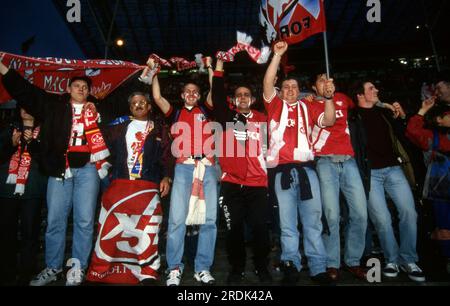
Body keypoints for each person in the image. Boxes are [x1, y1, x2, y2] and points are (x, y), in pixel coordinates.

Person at [0, 60, 110, 286]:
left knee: (85, 221)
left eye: (85, 87)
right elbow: (26, 91)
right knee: (55, 221)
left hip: (89, 169)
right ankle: (53, 266)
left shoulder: (99, 109)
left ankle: (78, 266)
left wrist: (144, 75)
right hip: (61, 169)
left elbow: (126, 103)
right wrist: (3, 68)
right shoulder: (54, 107)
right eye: (77, 86)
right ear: (68, 89)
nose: (81, 89)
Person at [263, 41, 336, 285]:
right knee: (287, 223)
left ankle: (318, 267)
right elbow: (267, 82)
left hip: (307, 171)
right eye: (286, 86)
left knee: (312, 221)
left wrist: (328, 97)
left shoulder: (308, 107)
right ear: (280, 91)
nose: (291, 89)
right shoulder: (274, 106)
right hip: (282, 173)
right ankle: (291, 264)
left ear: (300, 90)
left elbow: (329, 120)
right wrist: (277, 55)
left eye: (294, 86)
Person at [86, 92, 172, 285]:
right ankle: (100, 272)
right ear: (130, 108)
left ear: (149, 107)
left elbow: (167, 154)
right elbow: (99, 138)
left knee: (148, 228)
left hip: (148, 185)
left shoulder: (159, 129)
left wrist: (167, 176)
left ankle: (148, 272)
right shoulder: (119, 127)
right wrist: (94, 116)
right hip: (121, 183)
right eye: (134, 103)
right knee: (109, 228)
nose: (138, 105)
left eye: (142, 102)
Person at [147, 58, 218, 286]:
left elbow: (214, 89)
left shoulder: (207, 110)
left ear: (199, 95)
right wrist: (155, 72)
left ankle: (203, 268)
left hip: (207, 167)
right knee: (177, 219)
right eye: (187, 91)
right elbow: (157, 98)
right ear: (182, 95)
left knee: (209, 220)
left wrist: (209, 67)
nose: (190, 94)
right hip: (184, 168)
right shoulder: (175, 113)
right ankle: (175, 268)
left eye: (195, 91)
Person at [349, 80, 425, 282]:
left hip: (394, 170)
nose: (376, 90)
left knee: (409, 212)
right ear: (360, 95)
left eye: (375, 88)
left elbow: (403, 135)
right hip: (371, 173)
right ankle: (392, 259)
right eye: (371, 89)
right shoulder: (353, 116)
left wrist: (399, 114)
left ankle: (408, 259)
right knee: (382, 220)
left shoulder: (384, 113)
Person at [211, 58, 271, 284]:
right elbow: (216, 95)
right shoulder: (227, 118)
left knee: (260, 228)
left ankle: (261, 267)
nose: (243, 97)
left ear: (253, 99)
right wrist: (218, 67)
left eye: (247, 94)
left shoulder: (264, 119)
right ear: (234, 100)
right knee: (234, 228)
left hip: (258, 184)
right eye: (239, 95)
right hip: (232, 183)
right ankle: (237, 269)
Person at [309, 73, 368, 281]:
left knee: (360, 213)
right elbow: (329, 119)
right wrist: (325, 98)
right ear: (314, 88)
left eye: (328, 79)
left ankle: (353, 261)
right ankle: (331, 262)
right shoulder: (309, 105)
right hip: (325, 161)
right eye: (320, 81)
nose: (326, 83)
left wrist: (387, 104)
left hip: (349, 161)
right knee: (331, 215)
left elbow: (365, 102)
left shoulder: (343, 97)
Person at [0, 108, 47, 285]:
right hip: (7, 190)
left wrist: (34, 145)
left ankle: (26, 273)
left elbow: (48, 161)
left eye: (31, 106)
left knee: (30, 234)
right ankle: (7, 272)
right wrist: (10, 145)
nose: (27, 110)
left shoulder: (44, 129)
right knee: (6, 233)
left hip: (32, 190)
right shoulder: (9, 127)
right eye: (23, 106)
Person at [406, 97, 450, 274]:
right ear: (438, 119)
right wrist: (422, 111)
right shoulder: (433, 137)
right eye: (448, 114)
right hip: (442, 193)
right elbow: (412, 131)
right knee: (445, 229)